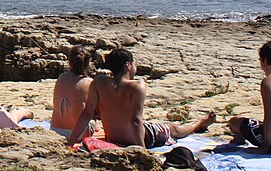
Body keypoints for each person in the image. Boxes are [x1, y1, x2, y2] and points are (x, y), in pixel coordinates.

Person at [69, 48, 215, 148]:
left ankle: (198, 124)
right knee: (172, 128)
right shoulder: (137, 86)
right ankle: (199, 124)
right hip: (138, 139)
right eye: (134, 63)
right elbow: (135, 120)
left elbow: (87, 113)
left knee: (157, 125)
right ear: (128, 65)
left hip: (112, 138)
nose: (135, 66)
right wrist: (141, 150)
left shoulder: (99, 82)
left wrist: (71, 141)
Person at [52, 45, 95, 136]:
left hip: (55, 130)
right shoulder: (89, 82)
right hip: (78, 134)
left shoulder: (61, 78)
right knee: (92, 117)